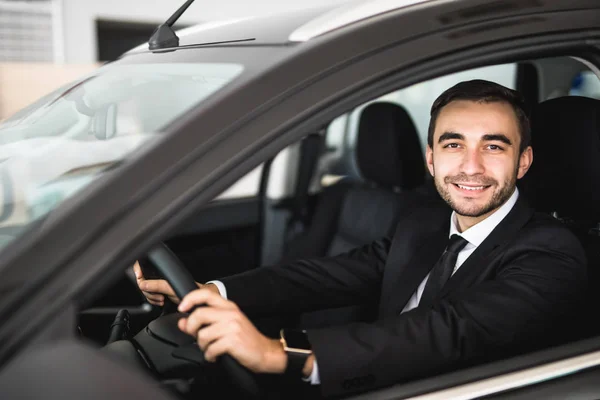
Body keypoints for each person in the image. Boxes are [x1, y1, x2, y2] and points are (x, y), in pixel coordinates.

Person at [133, 80, 586, 397]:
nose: (471, 166)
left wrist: (282, 355)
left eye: (493, 146)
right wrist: (211, 290)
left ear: (523, 162)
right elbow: (324, 277)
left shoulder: (551, 252)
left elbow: (445, 333)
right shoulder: (424, 224)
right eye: (453, 145)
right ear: (430, 159)